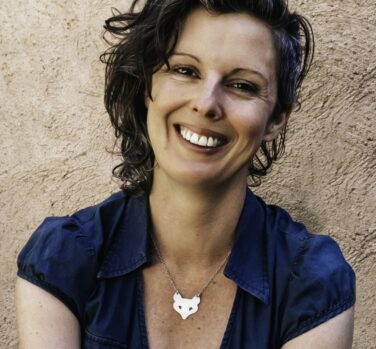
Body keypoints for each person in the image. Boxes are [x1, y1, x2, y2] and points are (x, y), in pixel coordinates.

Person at [15, 0, 356, 348]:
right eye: (185, 71)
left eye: (242, 85)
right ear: (149, 85)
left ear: (275, 119)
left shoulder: (312, 280)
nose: (207, 103)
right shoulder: (64, 259)